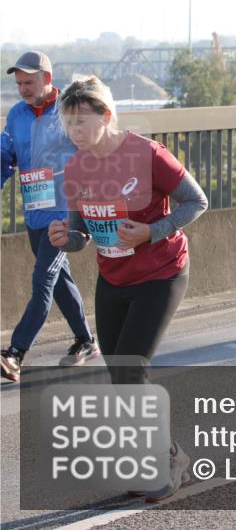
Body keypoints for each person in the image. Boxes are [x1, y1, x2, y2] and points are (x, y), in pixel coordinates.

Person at [47, 76, 208, 502]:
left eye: (81, 122)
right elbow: (81, 232)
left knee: (130, 370)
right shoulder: (76, 168)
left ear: (105, 116)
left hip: (161, 272)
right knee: (119, 374)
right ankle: (165, 456)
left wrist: (152, 231)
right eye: (68, 123)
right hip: (113, 278)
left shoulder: (146, 153)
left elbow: (196, 201)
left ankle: (167, 461)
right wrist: (66, 237)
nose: (74, 131)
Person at [1, 52, 97, 383]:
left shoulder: (70, 111)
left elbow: (92, 152)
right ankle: (86, 340)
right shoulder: (16, 115)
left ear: (47, 78)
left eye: (28, 82)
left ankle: (15, 352)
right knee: (59, 281)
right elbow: (4, 156)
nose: (23, 89)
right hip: (35, 211)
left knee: (43, 279)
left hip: (66, 213)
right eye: (19, 84)